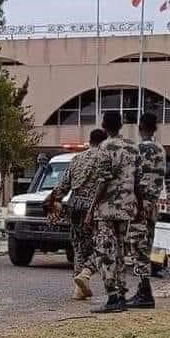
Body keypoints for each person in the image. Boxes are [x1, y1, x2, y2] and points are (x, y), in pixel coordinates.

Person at [89, 112, 141, 313]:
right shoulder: (133, 147)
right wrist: (139, 206)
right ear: (121, 125)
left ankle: (112, 297)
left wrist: (91, 209)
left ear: (104, 126)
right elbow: (138, 181)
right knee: (120, 252)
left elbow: (103, 181)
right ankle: (121, 296)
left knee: (104, 252)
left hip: (107, 209)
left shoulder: (105, 147)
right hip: (126, 207)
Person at [48, 128, 107, 300]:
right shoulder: (105, 159)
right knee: (105, 246)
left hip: (74, 206)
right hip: (95, 209)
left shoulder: (76, 159)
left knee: (79, 247)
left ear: (90, 141)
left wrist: (52, 202)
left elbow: (63, 186)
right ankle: (86, 274)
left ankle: (78, 289)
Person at [128, 112, 165, 309]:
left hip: (139, 204)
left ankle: (144, 291)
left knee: (137, 245)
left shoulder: (137, 150)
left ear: (140, 127)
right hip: (153, 204)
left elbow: (133, 178)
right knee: (148, 243)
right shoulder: (161, 150)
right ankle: (144, 290)